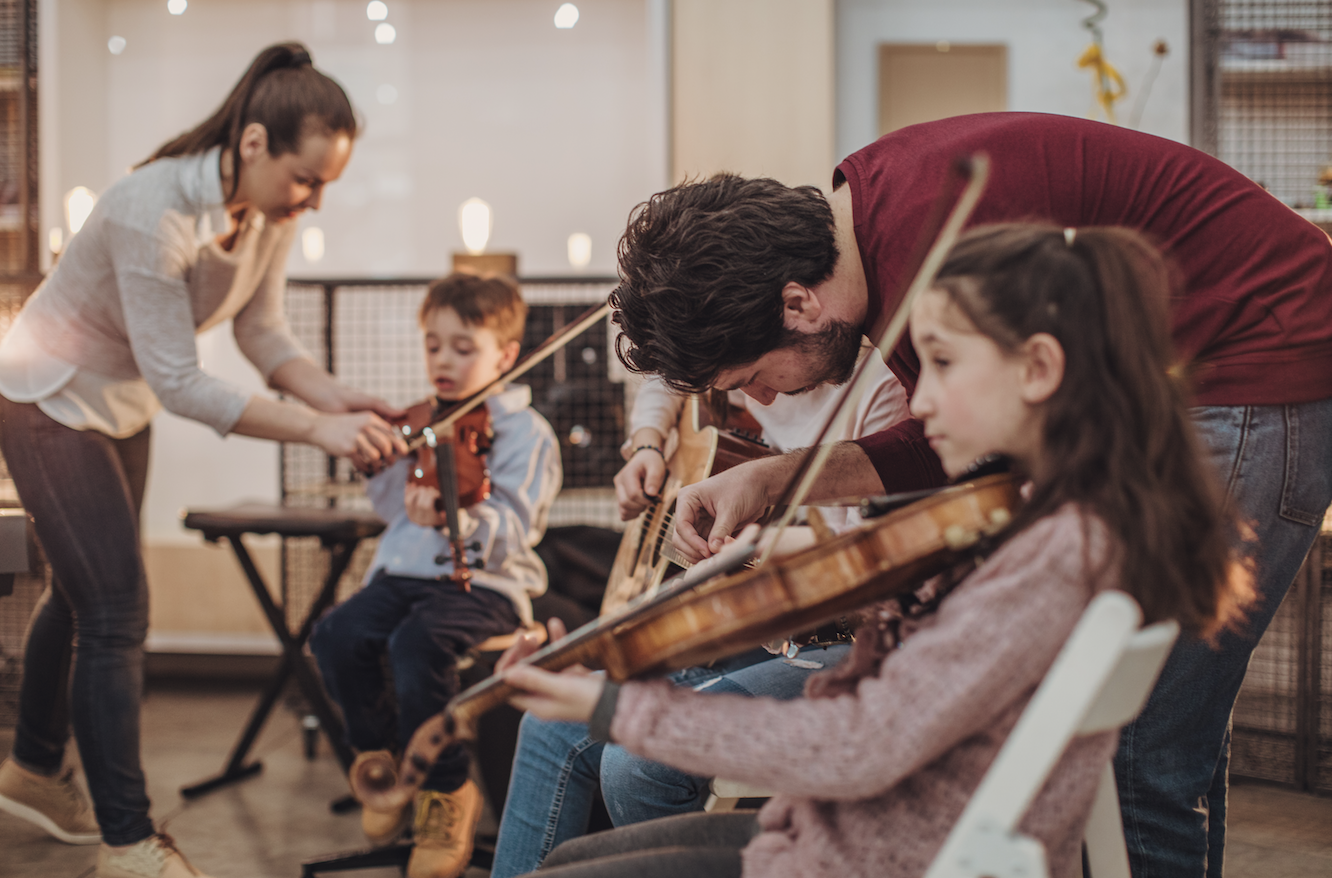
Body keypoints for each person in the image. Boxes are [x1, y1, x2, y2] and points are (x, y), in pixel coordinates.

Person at [608, 113, 1332, 877]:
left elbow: (960, 457)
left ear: (797, 305)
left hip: (1256, 371)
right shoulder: (871, 207)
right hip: (1221, 378)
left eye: (749, 376)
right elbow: (954, 444)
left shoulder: (930, 254)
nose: (758, 396)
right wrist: (769, 477)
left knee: (1145, 754)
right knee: (1157, 733)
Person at [498, 224, 1253, 878]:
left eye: (945, 365)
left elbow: (862, 742)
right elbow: (951, 663)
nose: (920, 403)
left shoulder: (1054, 552)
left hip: (877, 853)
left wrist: (614, 705)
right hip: (870, 836)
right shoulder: (1046, 520)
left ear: (1040, 370)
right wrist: (828, 572)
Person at [0, 43, 407, 878]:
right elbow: (183, 383)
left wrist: (337, 399)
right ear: (254, 144)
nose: (315, 200)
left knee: (83, 598)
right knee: (116, 611)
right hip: (46, 397)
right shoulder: (152, 210)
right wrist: (312, 431)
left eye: (327, 184)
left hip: (120, 402)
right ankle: (127, 840)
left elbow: (261, 334)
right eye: (307, 179)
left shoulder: (264, 214)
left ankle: (34, 771)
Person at [489, 351, 906, 878]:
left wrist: (751, 554)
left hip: (846, 639)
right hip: (783, 628)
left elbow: (876, 555)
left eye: (750, 375)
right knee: (547, 725)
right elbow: (670, 377)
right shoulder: (736, 359)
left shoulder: (881, 392)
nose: (753, 398)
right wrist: (647, 444)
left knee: (633, 765)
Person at [310, 272, 562, 878]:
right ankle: (382, 759)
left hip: (485, 583)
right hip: (405, 572)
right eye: (433, 344)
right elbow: (394, 511)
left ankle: (446, 792)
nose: (443, 361)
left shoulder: (525, 432)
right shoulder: (422, 420)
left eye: (463, 347)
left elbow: (519, 526)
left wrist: (462, 518)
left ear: (504, 355)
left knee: (416, 645)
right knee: (335, 634)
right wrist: (381, 466)